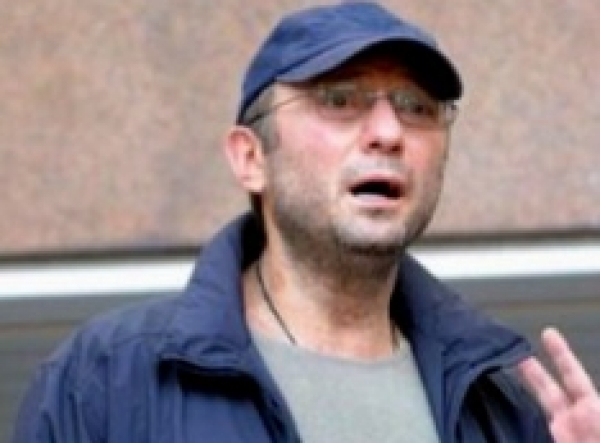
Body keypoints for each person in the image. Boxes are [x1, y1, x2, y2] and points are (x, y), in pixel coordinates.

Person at [12, 2, 600, 442]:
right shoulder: (107, 381)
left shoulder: (500, 405)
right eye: (339, 100)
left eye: (417, 107)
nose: (388, 133)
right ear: (250, 158)